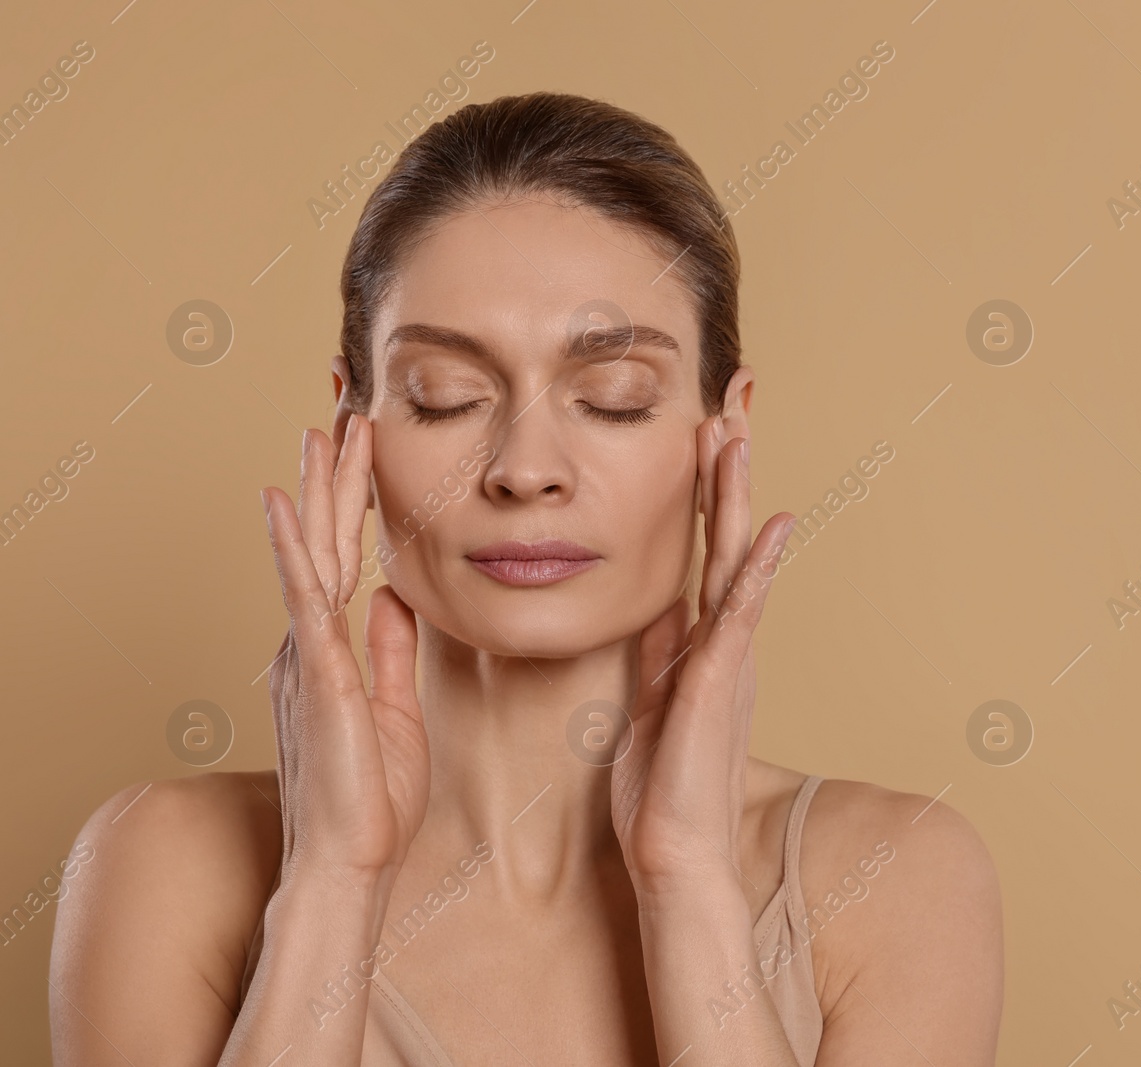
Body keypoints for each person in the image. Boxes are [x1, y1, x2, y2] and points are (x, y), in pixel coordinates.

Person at [49, 91, 1003, 1066]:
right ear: (354, 432)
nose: (523, 467)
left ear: (726, 433)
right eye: (445, 396)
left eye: (614, 398)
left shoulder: (894, 875)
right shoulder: (162, 862)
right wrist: (332, 878)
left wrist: (688, 884)